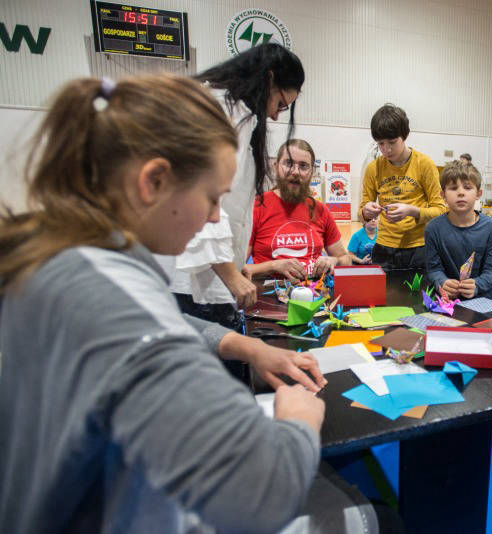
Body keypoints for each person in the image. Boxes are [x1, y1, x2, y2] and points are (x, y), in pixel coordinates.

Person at [0, 74, 385, 533]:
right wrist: (299, 421)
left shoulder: (69, 255)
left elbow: (168, 318)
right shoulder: (119, 307)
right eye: (212, 197)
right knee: (366, 518)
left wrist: (247, 348)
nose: (215, 217)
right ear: (153, 181)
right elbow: (263, 492)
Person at [160, 42, 303, 331]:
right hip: (196, 283)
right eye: (281, 104)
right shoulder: (224, 110)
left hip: (213, 277)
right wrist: (230, 274)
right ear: (270, 79)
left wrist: (235, 270)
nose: (276, 115)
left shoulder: (239, 115)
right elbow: (200, 197)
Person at [244, 139, 351, 282]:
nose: (295, 172)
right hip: (269, 295)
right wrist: (273, 266)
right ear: (276, 167)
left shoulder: (321, 210)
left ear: (312, 172)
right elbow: (236, 269)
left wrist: (333, 261)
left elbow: (346, 260)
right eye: (288, 163)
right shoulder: (256, 207)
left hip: (314, 295)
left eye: (303, 166)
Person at [360, 104, 447, 271]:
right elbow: (362, 212)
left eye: (392, 142)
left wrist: (412, 211)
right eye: (381, 144)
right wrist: (366, 211)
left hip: (419, 248)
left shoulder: (424, 164)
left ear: (405, 135)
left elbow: (440, 210)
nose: (387, 149)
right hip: (384, 248)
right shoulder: (373, 168)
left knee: (417, 297)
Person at [425, 160, 492, 301]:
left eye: (467, 188)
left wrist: (478, 285)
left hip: (486, 298)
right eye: (453, 188)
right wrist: (442, 282)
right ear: (443, 195)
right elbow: (434, 269)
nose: (461, 193)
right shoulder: (433, 229)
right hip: (449, 300)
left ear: (478, 193)